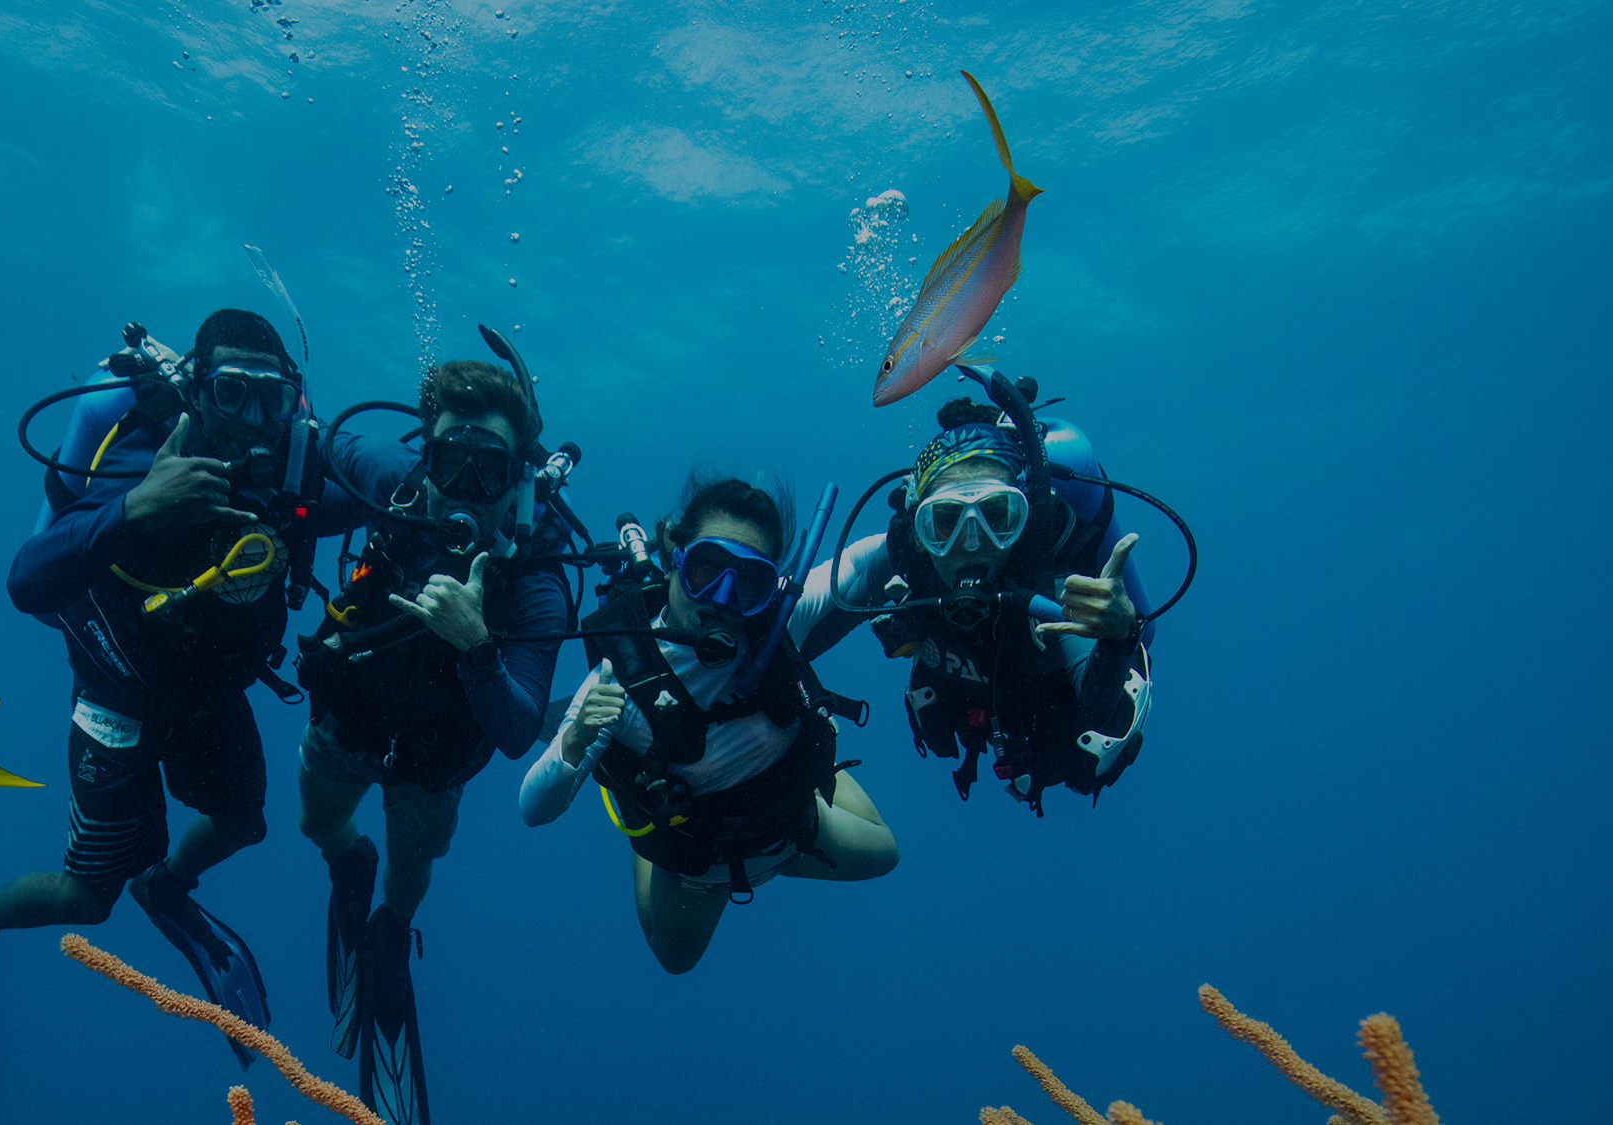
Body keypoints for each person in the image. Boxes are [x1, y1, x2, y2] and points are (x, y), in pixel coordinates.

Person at [0, 310, 341, 1125]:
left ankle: (164, 887)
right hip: (118, 704)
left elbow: (381, 490)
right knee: (86, 896)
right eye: (228, 394)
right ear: (198, 391)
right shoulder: (139, 456)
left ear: (290, 403)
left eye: (265, 400)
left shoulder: (293, 474)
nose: (245, 420)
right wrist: (137, 505)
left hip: (209, 693)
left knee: (243, 822)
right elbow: (27, 582)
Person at [295, 358, 567, 1125]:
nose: (464, 488)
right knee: (318, 824)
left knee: (411, 870)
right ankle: (350, 864)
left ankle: (391, 931)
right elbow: (318, 445)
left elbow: (518, 731)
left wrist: (477, 644)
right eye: (452, 461)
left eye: (489, 470)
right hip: (350, 717)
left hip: (436, 761)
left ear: (518, 479)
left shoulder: (538, 573)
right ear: (426, 457)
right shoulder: (395, 483)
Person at [519, 475, 900, 975]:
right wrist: (576, 741)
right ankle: (639, 823)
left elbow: (865, 558)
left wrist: (931, 511)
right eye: (707, 568)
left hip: (794, 827)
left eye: (748, 583)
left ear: (771, 588)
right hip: (701, 871)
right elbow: (533, 807)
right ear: (676, 557)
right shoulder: (618, 681)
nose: (722, 598)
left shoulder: (780, 625)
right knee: (673, 958)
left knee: (886, 853)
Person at [800, 393, 1154, 813]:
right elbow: (796, 610)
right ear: (918, 528)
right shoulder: (904, 555)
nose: (970, 544)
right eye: (945, 521)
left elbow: (1096, 704)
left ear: (1023, 521)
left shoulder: (1053, 586)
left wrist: (1116, 638)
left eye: (996, 515)